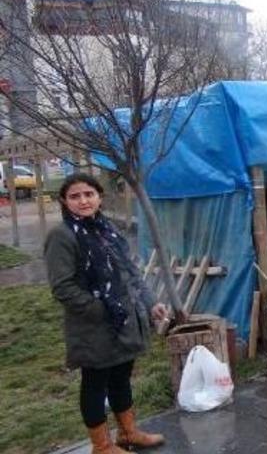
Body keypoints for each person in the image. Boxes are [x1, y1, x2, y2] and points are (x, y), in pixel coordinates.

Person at [45, 173, 169, 454]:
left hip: (122, 321)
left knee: (121, 377)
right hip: (92, 325)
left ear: (99, 197)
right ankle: (101, 447)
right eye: (75, 196)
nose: (83, 200)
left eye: (89, 194)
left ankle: (128, 434)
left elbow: (130, 272)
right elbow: (62, 287)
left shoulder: (106, 228)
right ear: (65, 201)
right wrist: (103, 308)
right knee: (95, 383)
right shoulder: (61, 236)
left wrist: (150, 302)